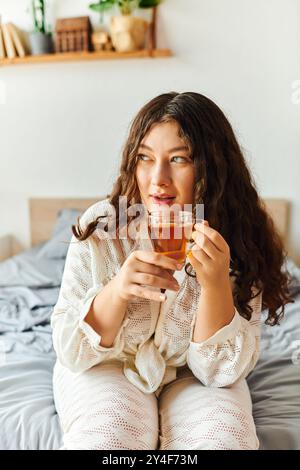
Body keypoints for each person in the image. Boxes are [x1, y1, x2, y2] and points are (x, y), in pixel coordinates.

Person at [51, 92, 292, 450]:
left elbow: (220, 373)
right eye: (145, 158)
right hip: (107, 365)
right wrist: (117, 291)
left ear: (212, 165)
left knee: (225, 438)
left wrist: (215, 285)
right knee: (110, 435)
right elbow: (72, 352)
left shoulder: (239, 238)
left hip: (194, 377)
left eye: (178, 159)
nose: (157, 179)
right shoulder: (102, 228)